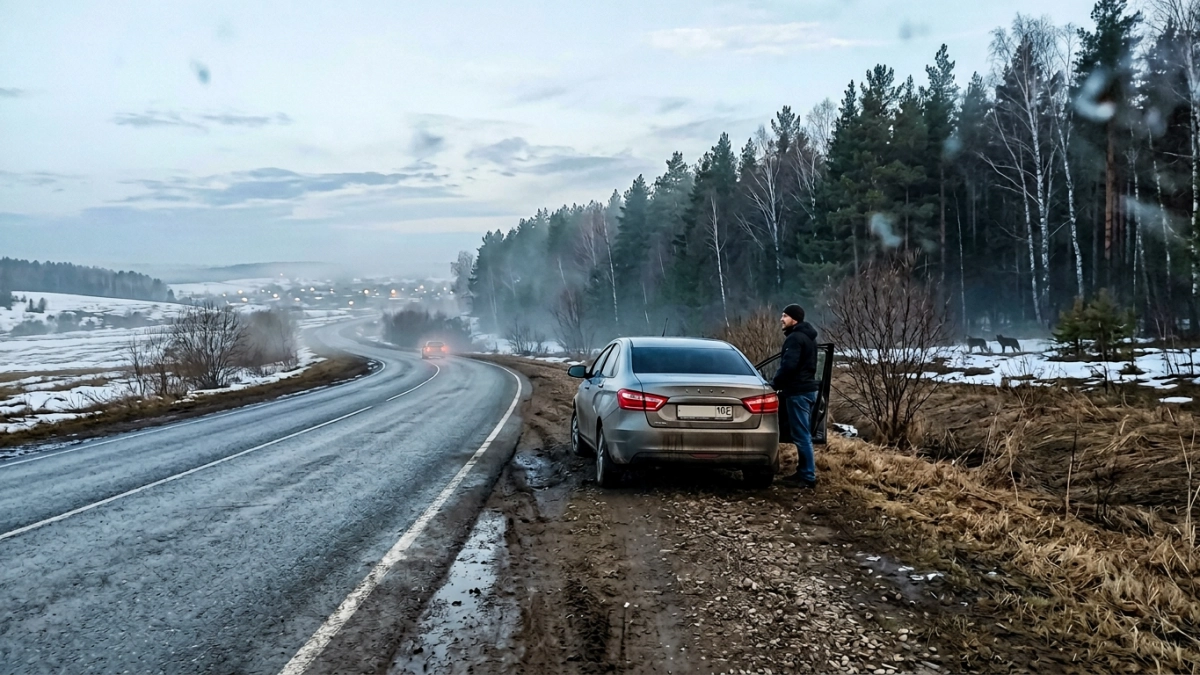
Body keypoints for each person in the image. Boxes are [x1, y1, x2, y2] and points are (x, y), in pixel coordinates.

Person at [772, 304, 820, 488]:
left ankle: (807, 476)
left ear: (795, 319)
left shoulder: (795, 339)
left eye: (785, 316)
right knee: (804, 434)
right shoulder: (809, 338)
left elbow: (789, 366)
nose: (781, 319)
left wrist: (775, 383)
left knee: (801, 435)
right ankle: (803, 472)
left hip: (798, 391)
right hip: (808, 390)